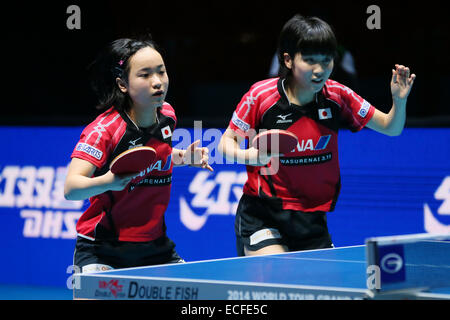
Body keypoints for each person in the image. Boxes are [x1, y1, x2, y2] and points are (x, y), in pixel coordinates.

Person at [218, 15, 416, 256]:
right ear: (288, 59)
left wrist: (399, 101)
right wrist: (250, 156)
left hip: (312, 218)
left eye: (326, 60)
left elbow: (391, 127)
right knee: (277, 275)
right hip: (263, 214)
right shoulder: (261, 96)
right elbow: (226, 143)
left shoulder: (338, 96)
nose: (320, 70)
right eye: (310, 60)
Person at [65, 37, 213, 273]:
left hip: (156, 247)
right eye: (145, 75)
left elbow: (151, 155)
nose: (158, 82)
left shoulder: (167, 115)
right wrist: (109, 182)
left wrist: (184, 157)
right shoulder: (104, 131)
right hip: (103, 247)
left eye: (161, 72)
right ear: (123, 84)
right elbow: (71, 189)